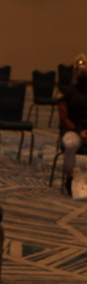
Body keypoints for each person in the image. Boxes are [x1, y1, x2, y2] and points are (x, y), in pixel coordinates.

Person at [59, 52, 87, 193]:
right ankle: (69, 178)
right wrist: (78, 131)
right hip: (73, 130)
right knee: (70, 144)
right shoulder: (67, 93)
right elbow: (64, 118)